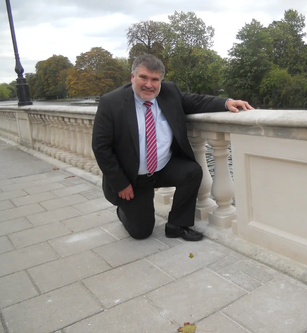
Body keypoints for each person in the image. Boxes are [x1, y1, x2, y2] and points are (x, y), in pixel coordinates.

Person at [92, 54, 253, 241]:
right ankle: (124, 210)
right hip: (133, 178)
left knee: (192, 171)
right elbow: (101, 146)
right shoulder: (112, 103)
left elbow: (197, 101)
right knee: (141, 232)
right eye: (143, 77)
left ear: (161, 80)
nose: (149, 85)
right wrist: (120, 183)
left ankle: (177, 225)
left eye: (155, 79)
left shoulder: (169, 92)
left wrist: (226, 103)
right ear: (132, 77)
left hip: (162, 168)